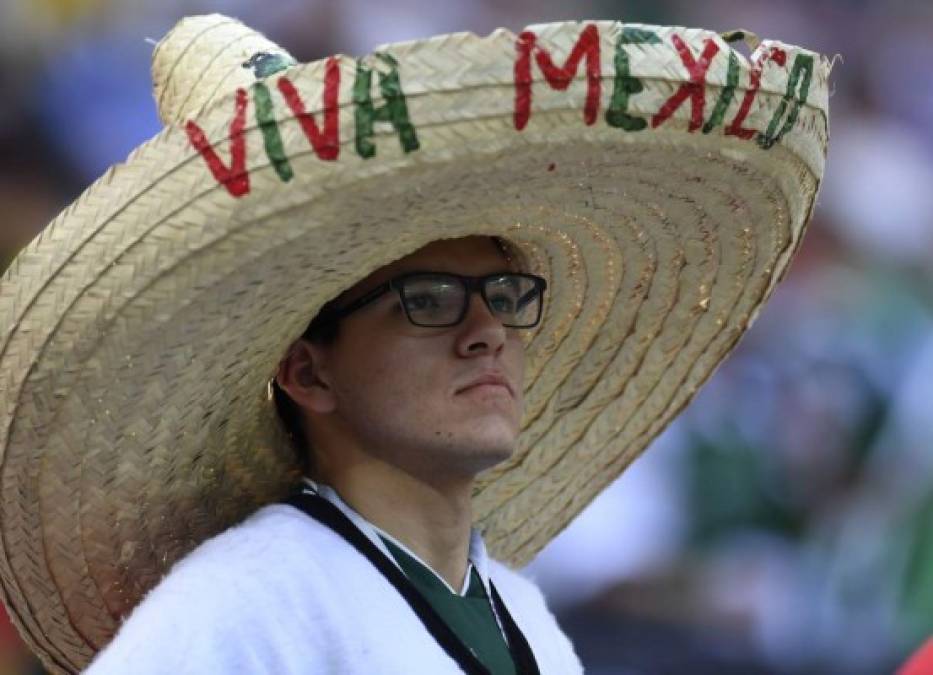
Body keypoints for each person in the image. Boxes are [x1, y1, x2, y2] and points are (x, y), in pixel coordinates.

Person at [0, 13, 831, 674]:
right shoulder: (239, 605)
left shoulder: (523, 617)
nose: (487, 333)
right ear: (306, 370)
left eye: (506, 296)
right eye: (427, 301)